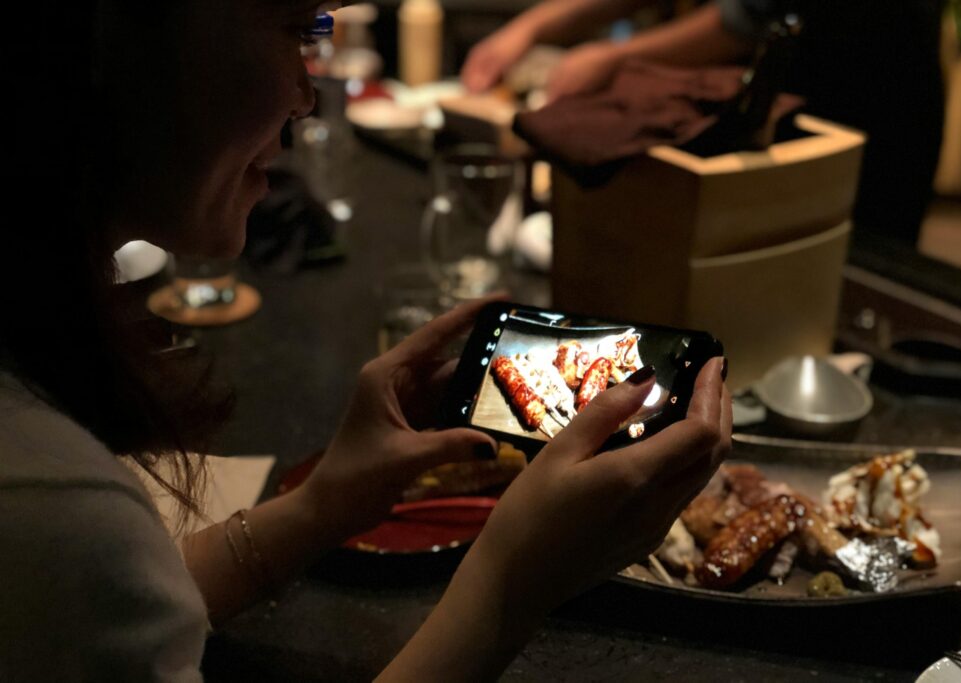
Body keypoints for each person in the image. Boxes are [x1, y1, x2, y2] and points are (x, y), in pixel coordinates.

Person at [0, 2, 730, 680]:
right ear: (121, 38)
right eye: (298, 27)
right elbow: (91, 573)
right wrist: (511, 582)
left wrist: (325, 505)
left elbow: (108, 605)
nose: (306, 92)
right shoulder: (53, 504)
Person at [462, 0, 945, 245]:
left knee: (852, 270)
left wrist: (615, 59)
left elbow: (751, 14)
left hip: (870, 89)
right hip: (773, 94)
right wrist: (532, 27)